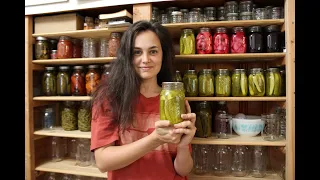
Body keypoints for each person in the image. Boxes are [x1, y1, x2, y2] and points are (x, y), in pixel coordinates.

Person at [90, 20, 197, 180]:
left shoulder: (173, 99)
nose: (145, 59)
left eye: (153, 51)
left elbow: (183, 170)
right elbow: (103, 162)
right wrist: (154, 139)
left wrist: (183, 146)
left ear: (163, 54)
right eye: (137, 52)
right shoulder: (109, 99)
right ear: (127, 56)